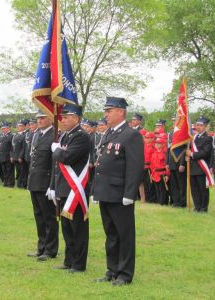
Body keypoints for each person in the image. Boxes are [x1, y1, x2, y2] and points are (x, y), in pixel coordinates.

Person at [92, 97, 144, 286]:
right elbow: (100, 165)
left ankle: (124, 274)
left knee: (125, 235)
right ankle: (111, 270)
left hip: (120, 194)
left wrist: (130, 194)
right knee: (111, 234)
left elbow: (135, 167)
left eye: (109, 110)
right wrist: (95, 191)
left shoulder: (131, 135)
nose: (106, 114)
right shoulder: (107, 133)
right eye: (106, 110)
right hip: (105, 192)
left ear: (121, 111)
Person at [50, 103, 90, 273]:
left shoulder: (81, 136)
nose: (62, 120)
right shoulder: (66, 136)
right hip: (64, 188)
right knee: (66, 227)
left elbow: (67, 157)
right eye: (62, 117)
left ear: (76, 118)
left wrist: (56, 150)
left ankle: (79, 264)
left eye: (66, 117)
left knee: (78, 228)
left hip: (76, 190)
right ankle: (69, 260)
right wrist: (53, 186)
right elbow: (58, 166)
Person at [27, 110, 59, 261]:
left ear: (51, 119)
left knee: (49, 217)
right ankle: (41, 247)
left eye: (42, 118)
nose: (39, 121)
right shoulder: (37, 134)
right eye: (38, 118)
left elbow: (55, 164)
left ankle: (50, 249)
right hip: (34, 181)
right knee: (38, 216)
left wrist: (52, 185)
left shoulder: (54, 135)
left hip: (45, 182)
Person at [185, 116, 213, 212]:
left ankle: (203, 208)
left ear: (205, 127)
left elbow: (205, 152)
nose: (198, 127)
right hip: (193, 167)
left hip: (201, 167)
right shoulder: (193, 138)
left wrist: (192, 154)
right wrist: (188, 156)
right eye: (197, 125)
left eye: (201, 125)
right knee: (194, 189)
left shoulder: (208, 138)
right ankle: (197, 206)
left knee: (202, 189)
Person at [0, 122, 15, 187]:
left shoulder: (11, 136)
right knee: (4, 171)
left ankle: (10, 183)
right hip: (2, 156)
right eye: (2, 129)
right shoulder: (1, 136)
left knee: (10, 171)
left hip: (8, 156)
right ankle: (6, 182)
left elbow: (12, 147)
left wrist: (11, 156)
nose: (3, 130)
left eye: (4, 128)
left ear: (8, 128)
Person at [12, 120, 27, 188]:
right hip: (15, 156)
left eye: (20, 126)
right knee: (18, 171)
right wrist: (12, 156)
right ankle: (18, 184)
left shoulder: (25, 135)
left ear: (24, 127)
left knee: (23, 171)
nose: (18, 127)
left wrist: (20, 157)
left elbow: (24, 147)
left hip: (21, 157)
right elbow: (13, 146)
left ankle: (22, 184)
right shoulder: (16, 135)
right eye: (17, 126)